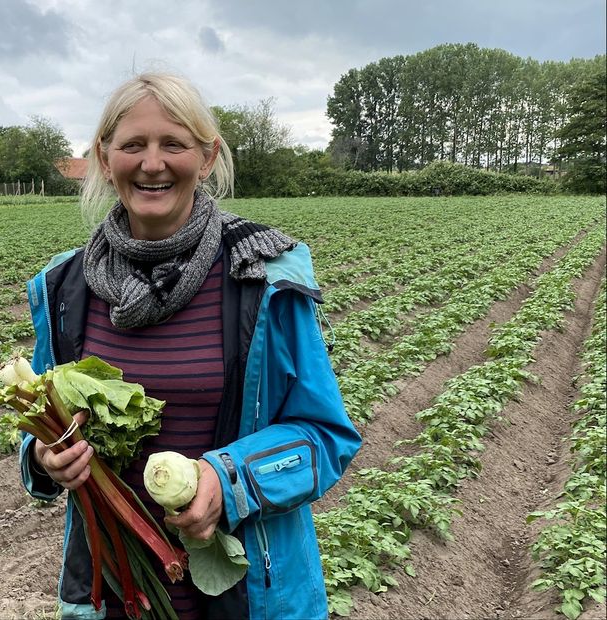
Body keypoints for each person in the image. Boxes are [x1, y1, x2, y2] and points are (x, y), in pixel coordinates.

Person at [18, 72, 361, 620]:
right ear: (105, 160)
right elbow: (38, 421)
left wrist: (229, 481)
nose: (152, 163)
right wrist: (45, 455)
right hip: (113, 590)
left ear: (206, 158)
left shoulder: (264, 279)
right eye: (133, 145)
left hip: (251, 596)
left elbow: (326, 436)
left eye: (173, 144)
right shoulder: (64, 288)